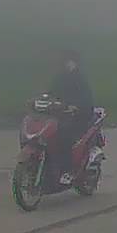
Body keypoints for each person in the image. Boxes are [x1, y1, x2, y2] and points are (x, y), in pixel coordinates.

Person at [47, 49, 95, 185]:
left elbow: (87, 98)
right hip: (62, 114)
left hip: (79, 115)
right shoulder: (59, 78)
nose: (67, 64)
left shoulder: (80, 79)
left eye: (69, 61)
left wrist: (76, 106)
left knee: (64, 135)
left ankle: (68, 170)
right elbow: (51, 93)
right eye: (65, 61)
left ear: (75, 62)